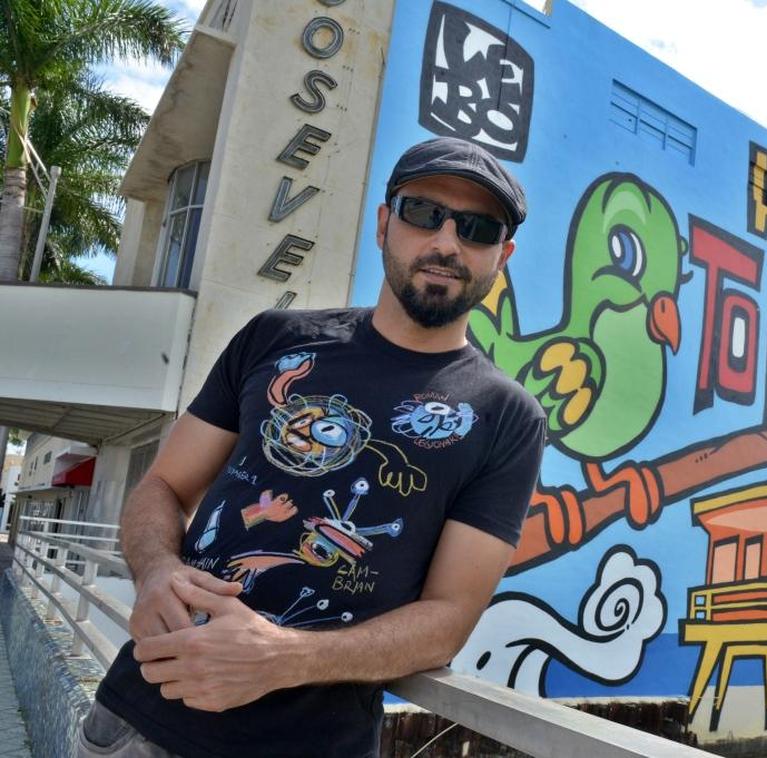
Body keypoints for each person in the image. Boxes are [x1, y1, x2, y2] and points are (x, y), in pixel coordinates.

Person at [78, 137, 546, 757]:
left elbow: (447, 619)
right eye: (424, 213)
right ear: (384, 224)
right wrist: (158, 569)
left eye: (478, 228)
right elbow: (163, 487)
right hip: (140, 717)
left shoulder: (507, 417)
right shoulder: (275, 340)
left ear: (501, 256)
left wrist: (281, 658)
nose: (446, 243)